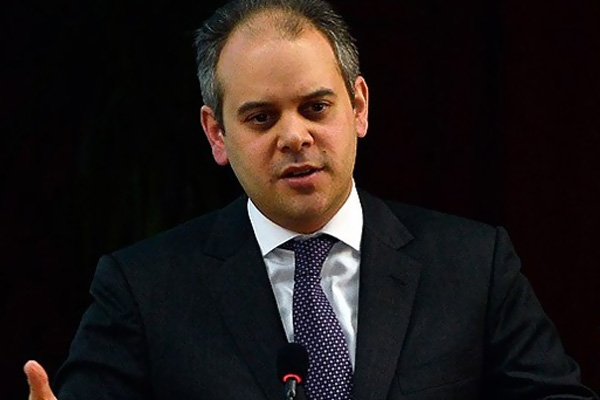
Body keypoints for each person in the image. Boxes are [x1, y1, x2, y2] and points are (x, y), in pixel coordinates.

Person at [24, 0, 598, 399]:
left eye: (316, 108)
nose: (294, 136)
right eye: (261, 117)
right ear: (217, 134)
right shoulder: (144, 288)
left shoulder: (473, 265)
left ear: (359, 107)